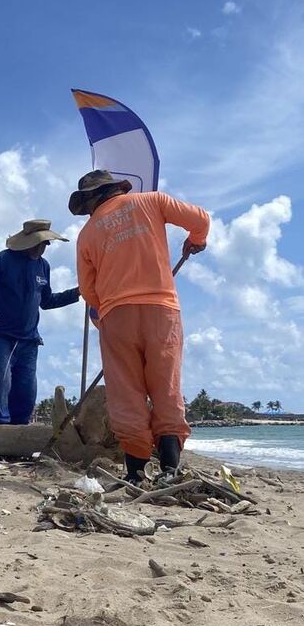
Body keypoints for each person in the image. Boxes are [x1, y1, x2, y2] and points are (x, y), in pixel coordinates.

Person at [69, 170, 209, 483]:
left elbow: (88, 290)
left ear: (91, 199)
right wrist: (195, 241)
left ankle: (135, 471)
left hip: (116, 315)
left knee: (126, 392)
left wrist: (102, 314)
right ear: (115, 189)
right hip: (162, 311)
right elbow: (200, 220)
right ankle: (170, 467)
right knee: (166, 386)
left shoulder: (87, 234)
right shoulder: (153, 201)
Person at [0, 220, 80, 425]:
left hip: (29, 339)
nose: (43, 248)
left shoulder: (43, 266)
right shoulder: (3, 260)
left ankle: (20, 429)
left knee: (27, 389)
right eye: (40, 244)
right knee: (0, 382)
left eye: (45, 244)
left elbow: (47, 301)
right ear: (27, 243)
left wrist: (77, 292)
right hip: (1, 335)